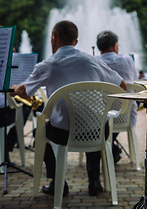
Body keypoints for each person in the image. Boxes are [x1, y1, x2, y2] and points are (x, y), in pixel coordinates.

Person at [11, 20, 127, 197]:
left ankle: (58, 183)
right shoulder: (93, 61)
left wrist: (14, 88)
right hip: (97, 132)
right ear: (76, 41)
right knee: (94, 121)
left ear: (54, 37)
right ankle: (94, 181)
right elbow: (122, 85)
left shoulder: (47, 65)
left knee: (39, 133)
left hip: (63, 134)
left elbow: (23, 91)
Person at [96, 30, 138, 163]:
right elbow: (135, 80)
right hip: (125, 115)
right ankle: (111, 148)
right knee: (115, 113)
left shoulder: (94, 62)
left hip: (100, 118)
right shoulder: (127, 60)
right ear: (115, 46)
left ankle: (109, 148)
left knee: (104, 117)